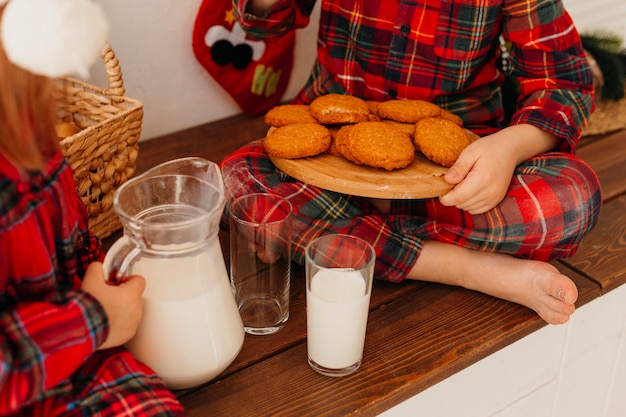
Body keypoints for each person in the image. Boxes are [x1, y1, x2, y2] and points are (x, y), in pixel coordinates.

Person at [222, 0, 603, 325]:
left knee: (571, 198)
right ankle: (464, 267)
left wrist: (509, 149)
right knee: (236, 176)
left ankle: (323, 226)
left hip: (459, 172)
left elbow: (564, 83)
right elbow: (262, 22)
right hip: (329, 157)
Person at [0, 2, 185, 416]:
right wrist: (94, 318)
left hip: (76, 348)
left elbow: (69, 241)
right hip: (47, 351)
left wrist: (101, 276)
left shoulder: (31, 128)